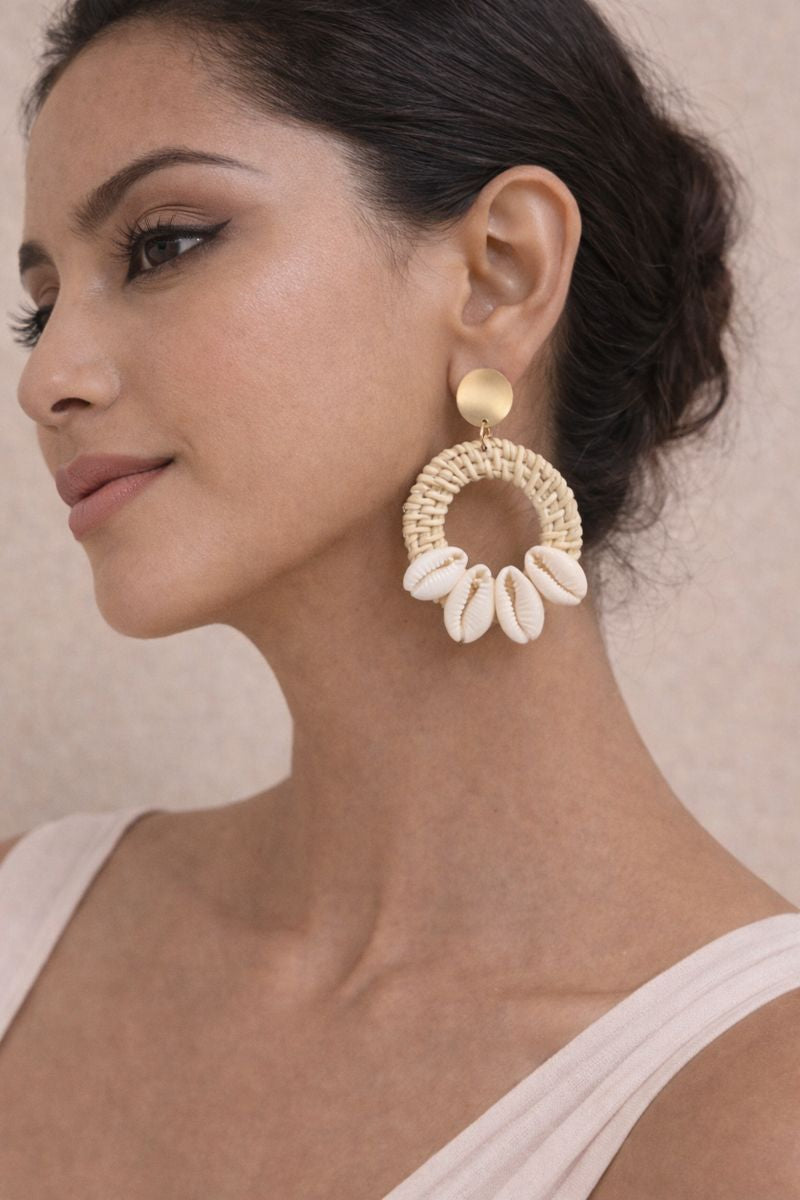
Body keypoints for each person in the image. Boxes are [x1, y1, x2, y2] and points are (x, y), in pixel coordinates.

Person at [1, 1, 798, 1197]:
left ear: (499, 274)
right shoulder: (19, 929)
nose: (47, 378)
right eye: (40, 300)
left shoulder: (753, 1116)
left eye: (161, 244)